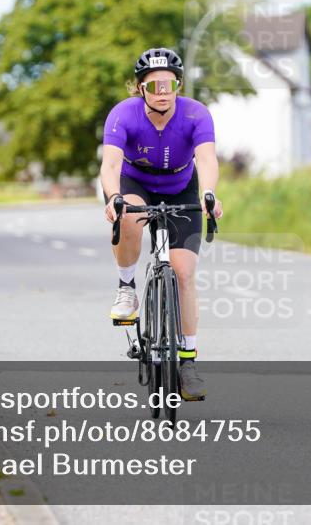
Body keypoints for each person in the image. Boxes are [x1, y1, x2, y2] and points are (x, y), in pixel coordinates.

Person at [99, 47, 223, 401]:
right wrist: (112, 197)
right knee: (130, 213)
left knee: (183, 273)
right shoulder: (123, 115)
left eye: (169, 84)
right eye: (154, 86)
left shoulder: (196, 114)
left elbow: (207, 158)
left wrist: (209, 193)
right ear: (140, 89)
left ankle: (188, 363)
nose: (163, 92)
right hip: (134, 185)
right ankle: (126, 288)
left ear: (178, 85)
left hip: (181, 186)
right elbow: (110, 165)